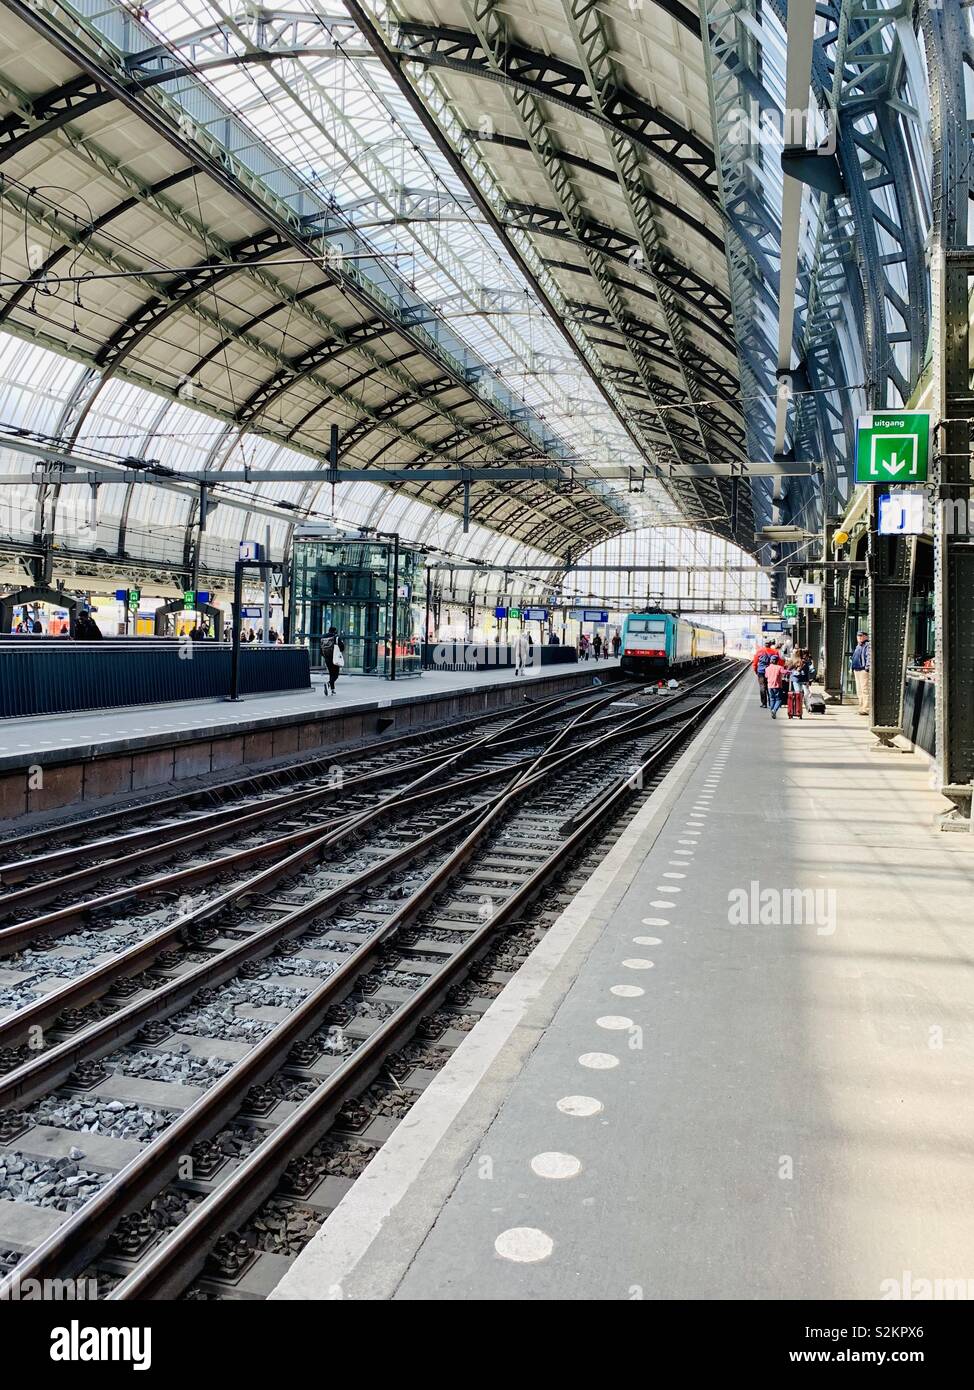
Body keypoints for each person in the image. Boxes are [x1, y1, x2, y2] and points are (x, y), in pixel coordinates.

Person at [787, 649, 814, 719]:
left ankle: (799, 707)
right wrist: (796, 669)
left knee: (801, 694)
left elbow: (788, 669)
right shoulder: (796, 661)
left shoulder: (805, 661)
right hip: (799, 679)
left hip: (800, 679)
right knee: (800, 694)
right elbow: (789, 669)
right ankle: (799, 708)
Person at [752, 638, 778, 707]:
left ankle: (764, 703)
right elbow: (779, 662)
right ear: (770, 644)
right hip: (771, 671)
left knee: (762, 687)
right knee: (770, 686)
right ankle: (771, 702)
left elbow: (755, 663)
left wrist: (756, 671)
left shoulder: (759, 651)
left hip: (761, 671)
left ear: (764, 644)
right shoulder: (774, 652)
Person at [320, 625, 345, 695]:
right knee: (336, 675)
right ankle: (329, 683)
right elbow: (342, 648)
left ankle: (332, 690)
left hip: (327, 658)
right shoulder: (336, 637)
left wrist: (325, 656)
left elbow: (321, 649)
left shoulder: (323, 637)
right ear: (335, 631)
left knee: (331, 673)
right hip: (335, 658)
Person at [851, 629, 870, 715]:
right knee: (859, 690)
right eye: (858, 636)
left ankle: (866, 708)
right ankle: (861, 706)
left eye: (861, 635)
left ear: (866, 636)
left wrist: (867, 668)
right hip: (857, 669)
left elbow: (869, 656)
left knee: (864, 689)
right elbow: (854, 657)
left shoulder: (867, 645)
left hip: (863, 670)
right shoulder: (858, 646)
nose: (859, 637)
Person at [764, 651, 786, 719]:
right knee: (779, 699)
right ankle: (774, 710)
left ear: (771, 661)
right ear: (777, 661)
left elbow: (766, 676)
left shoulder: (767, 668)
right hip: (777, 686)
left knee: (772, 699)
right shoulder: (779, 667)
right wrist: (791, 671)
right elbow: (784, 672)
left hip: (770, 686)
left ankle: (772, 711)